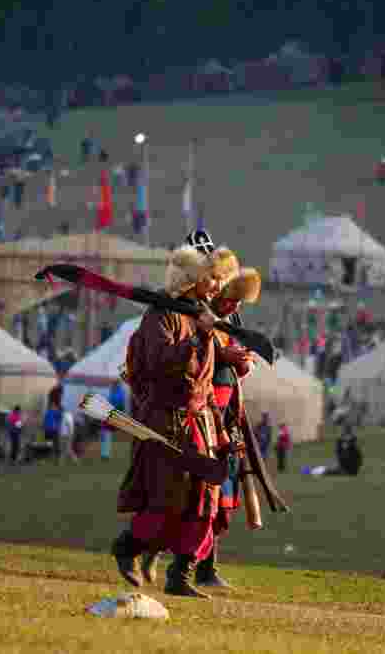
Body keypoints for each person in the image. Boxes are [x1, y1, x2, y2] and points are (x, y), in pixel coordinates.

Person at [110, 243, 241, 599]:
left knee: (205, 499)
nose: (216, 287)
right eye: (210, 279)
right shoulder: (160, 316)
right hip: (164, 420)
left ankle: (181, 575)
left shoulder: (201, 317)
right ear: (190, 279)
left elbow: (207, 380)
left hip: (200, 422)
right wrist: (198, 337)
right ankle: (128, 547)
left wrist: (223, 431)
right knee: (167, 498)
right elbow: (160, 363)